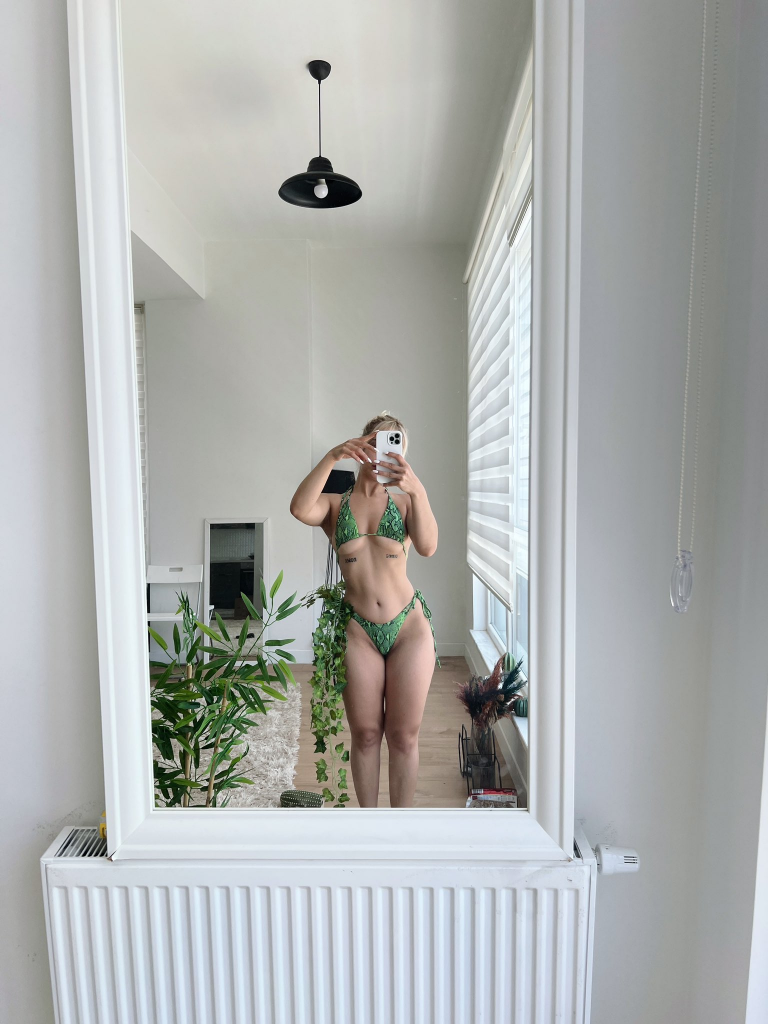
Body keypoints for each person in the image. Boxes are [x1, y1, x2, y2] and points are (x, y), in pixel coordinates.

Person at [290, 414, 439, 807]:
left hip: (408, 628)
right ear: (362, 445)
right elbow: (299, 509)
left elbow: (428, 547)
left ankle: (400, 831)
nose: (383, 452)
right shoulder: (334, 505)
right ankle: (368, 826)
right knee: (367, 734)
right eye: (376, 442)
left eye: (394, 445)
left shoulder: (405, 502)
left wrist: (417, 490)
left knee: (404, 736)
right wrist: (333, 455)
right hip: (358, 631)